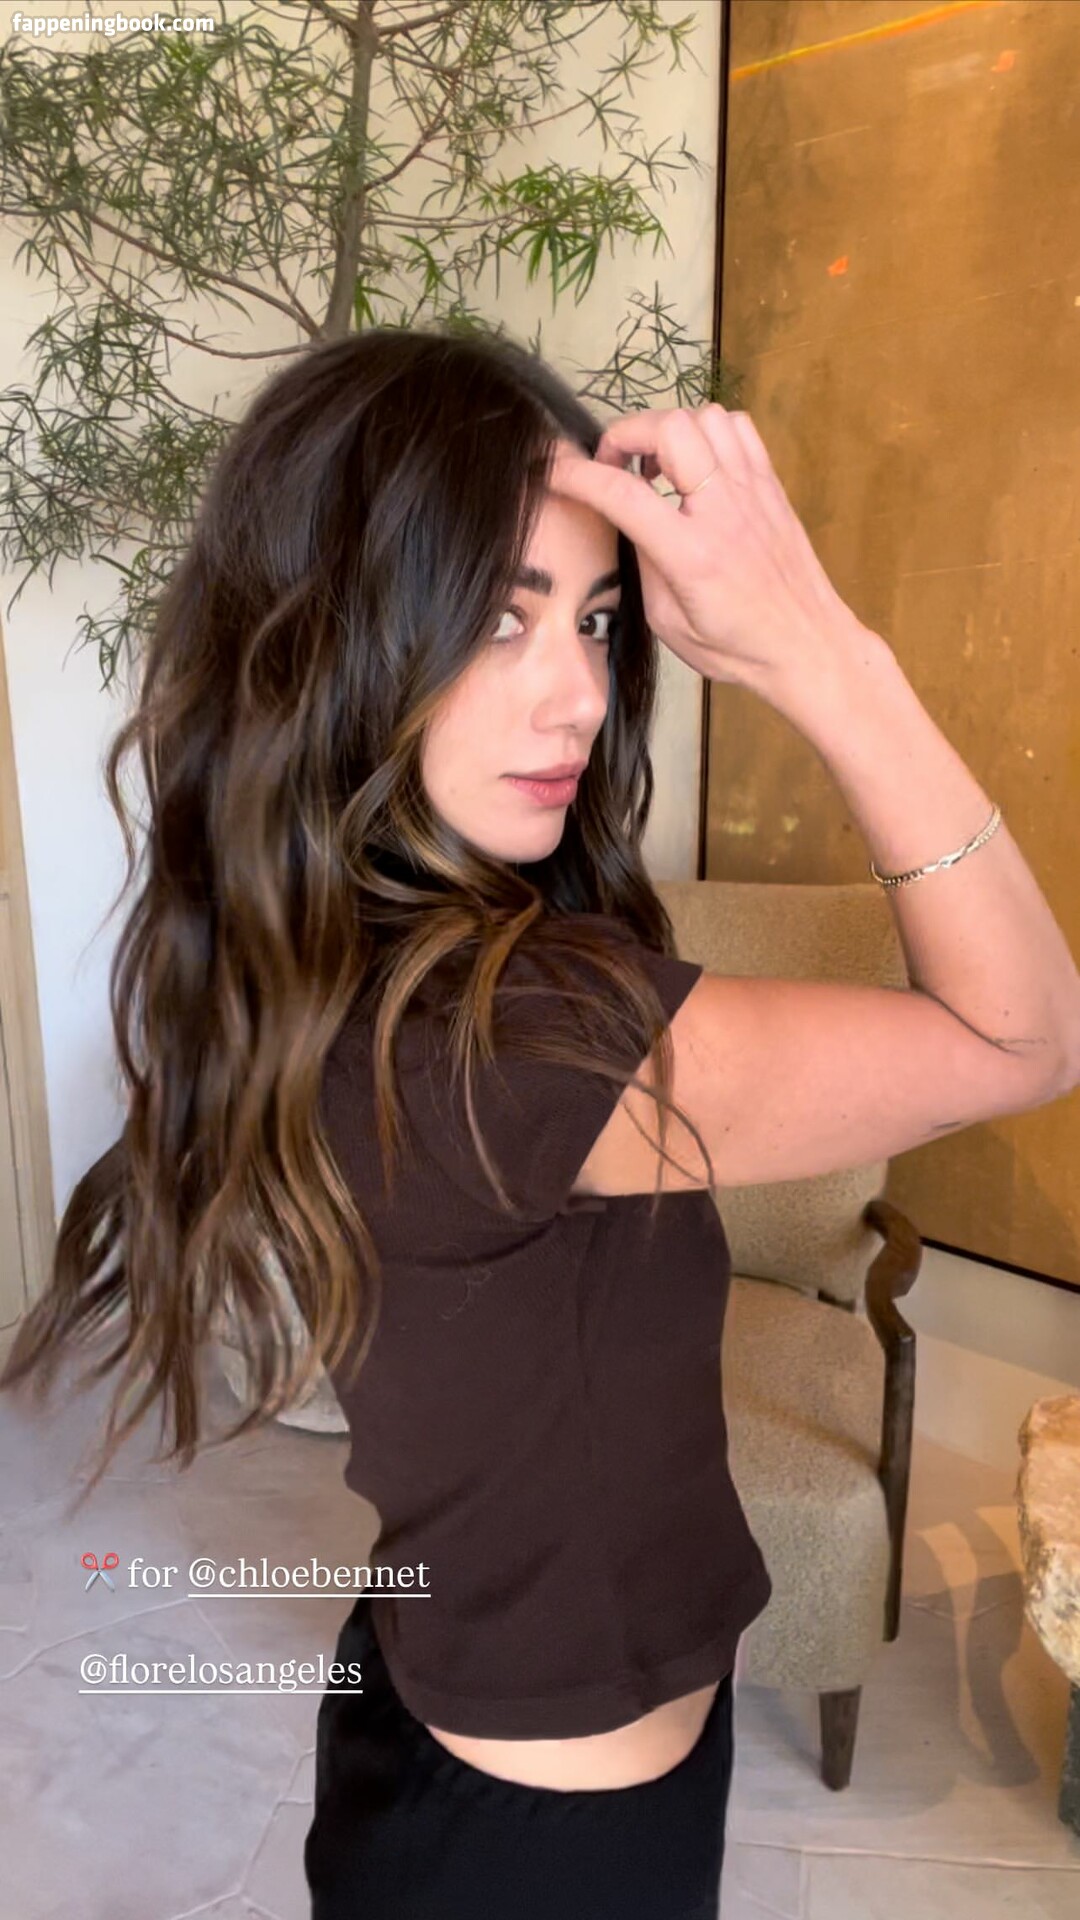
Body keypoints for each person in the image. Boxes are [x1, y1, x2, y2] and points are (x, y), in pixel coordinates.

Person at [4, 323, 1079, 1920]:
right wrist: (819, 652)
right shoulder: (513, 1039)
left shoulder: (331, 951)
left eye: (594, 618)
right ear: (335, 643)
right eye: (496, 622)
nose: (580, 693)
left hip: (449, 1700)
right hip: (544, 1836)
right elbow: (1028, 1032)